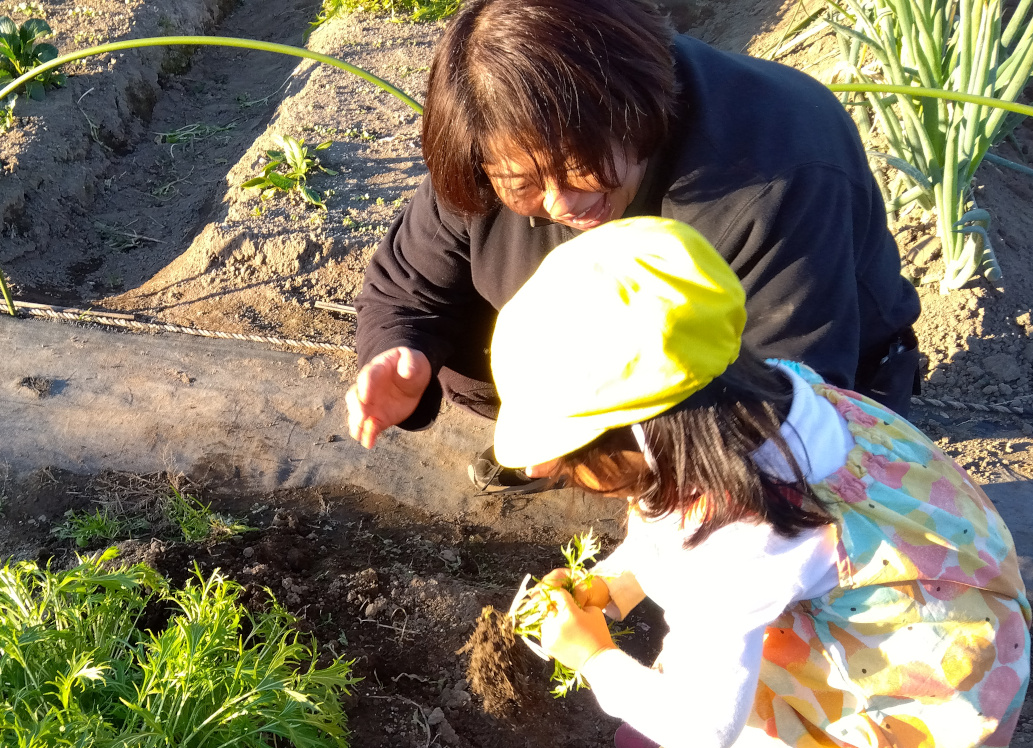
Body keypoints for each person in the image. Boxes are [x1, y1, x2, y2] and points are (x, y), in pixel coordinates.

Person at [490, 217, 1028, 748]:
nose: (552, 472)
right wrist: (616, 582)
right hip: (931, 585)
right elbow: (671, 528)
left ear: (639, 441)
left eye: (570, 457)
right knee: (706, 667)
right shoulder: (757, 401)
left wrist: (595, 656)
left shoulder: (739, 542)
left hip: (923, 678)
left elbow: (706, 727)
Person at [345, 0, 922, 491]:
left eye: (579, 168)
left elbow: (782, 395)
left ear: (633, 111)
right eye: (523, 185)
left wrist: (654, 518)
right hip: (630, 340)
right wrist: (397, 353)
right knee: (458, 343)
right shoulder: (492, 135)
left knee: (780, 485)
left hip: (782, 374)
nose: (561, 204)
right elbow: (405, 290)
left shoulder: (776, 169)